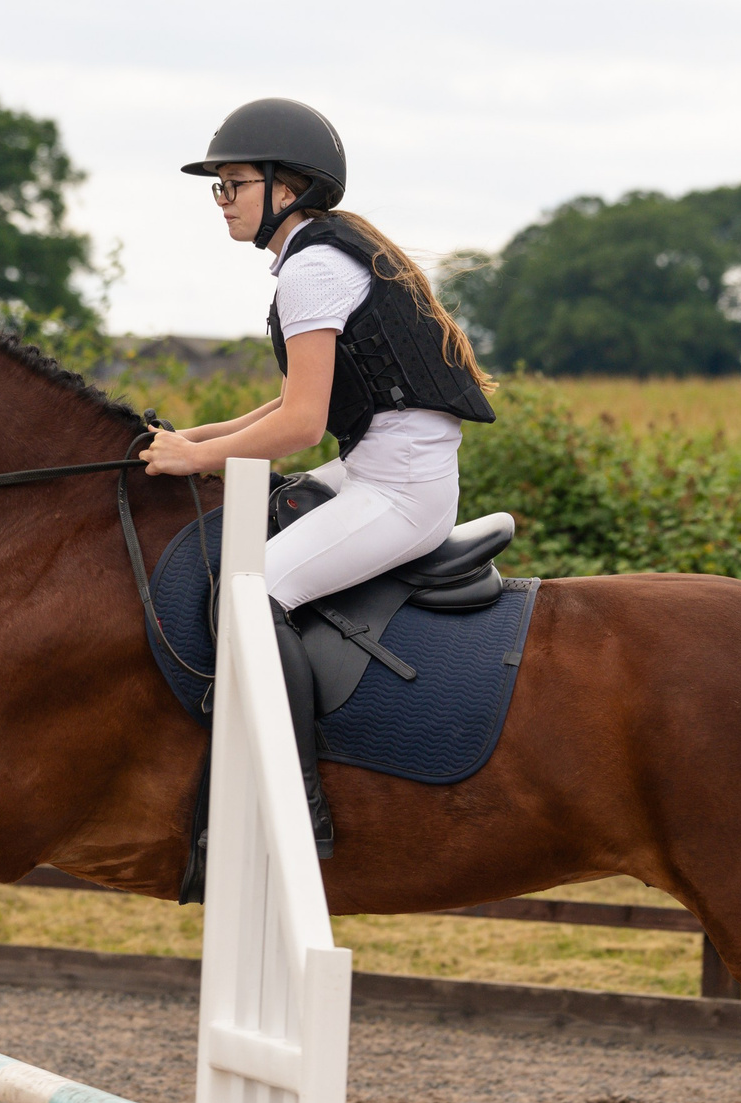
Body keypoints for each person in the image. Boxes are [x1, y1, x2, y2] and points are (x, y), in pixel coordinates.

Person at [142, 98, 497, 855]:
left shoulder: (313, 268)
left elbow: (300, 426)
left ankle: (297, 804)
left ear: (286, 187)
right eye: (219, 187)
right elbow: (292, 399)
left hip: (397, 490)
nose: (223, 202)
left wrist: (195, 459)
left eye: (233, 184)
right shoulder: (323, 255)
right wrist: (194, 436)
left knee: (251, 594)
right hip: (377, 467)